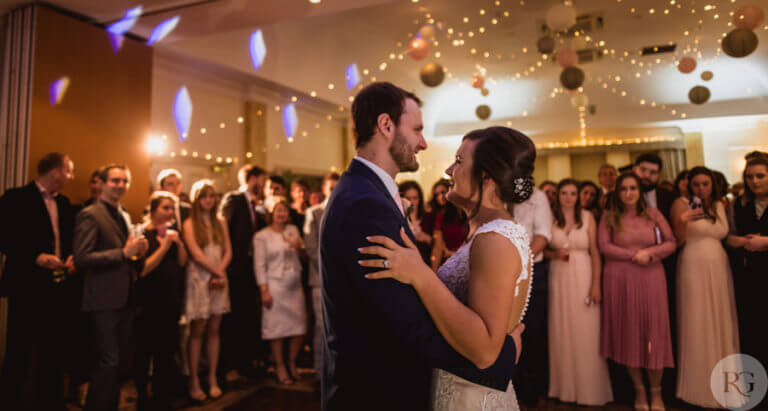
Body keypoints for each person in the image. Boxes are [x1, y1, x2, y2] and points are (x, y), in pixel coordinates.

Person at [320, 82, 523, 410]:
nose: (424, 142)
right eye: (416, 129)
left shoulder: (363, 193)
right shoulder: (364, 204)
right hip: (377, 392)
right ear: (386, 125)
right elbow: (404, 324)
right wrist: (501, 358)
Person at [361, 125, 534, 409]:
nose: (448, 171)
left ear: (486, 177)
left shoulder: (495, 240)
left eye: (459, 161)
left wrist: (420, 275)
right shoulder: (487, 234)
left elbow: (484, 350)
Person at [0, 153, 76, 410]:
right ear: (55, 171)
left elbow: (69, 241)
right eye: (69, 170)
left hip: (57, 285)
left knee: (54, 348)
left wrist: (70, 258)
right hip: (26, 284)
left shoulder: (64, 203)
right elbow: (5, 238)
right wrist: (35, 257)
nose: (71, 176)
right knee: (19, 347)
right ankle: (10, 402)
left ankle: (51, 402)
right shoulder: (15, 197)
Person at [74, 164, 149, 411]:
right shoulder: (91, 214)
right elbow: (82, 258)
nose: (120, 186)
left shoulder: (124, 214)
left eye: (125, 181)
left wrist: (137, 253)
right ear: (102, 183)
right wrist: (122, 253)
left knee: (120, 364)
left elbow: (126, 256)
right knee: (108, 362)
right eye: (115, 181)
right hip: (103, 299)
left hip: (125, 297)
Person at [599, 172, 676, 411]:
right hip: (619, 279)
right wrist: (634, 255)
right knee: (629, 334)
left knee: (653, 333)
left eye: (633, 188)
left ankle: (656, 393)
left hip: (651, 277)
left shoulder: (653, 214)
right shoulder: (609, 216)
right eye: (624, 189)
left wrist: (651, 254)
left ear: (640, 192)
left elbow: (671, 241)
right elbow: (604, 246)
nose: (629, 193)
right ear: (617, 193)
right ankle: (639, 392)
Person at [669, 167, 740, 408]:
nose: (701, 188)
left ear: (712, 185)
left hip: (719, 266)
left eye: (705, 183)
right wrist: (682, 220)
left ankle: (727, 385)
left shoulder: (719, 205)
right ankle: (698, 387)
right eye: (696, 184)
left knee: (721, 319)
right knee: (698, 319)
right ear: (690, 185)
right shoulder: (680, 204)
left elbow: (726, 234)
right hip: (692, 265)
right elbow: (675, 241)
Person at [544, 179, 613, 406]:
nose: (568, 197)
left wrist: (596, 285)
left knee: (586, 331)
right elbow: (540, 250)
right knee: (561, 329)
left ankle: (590, 390)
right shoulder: (550, 218)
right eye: (564, 193)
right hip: (559, 277)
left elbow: (595, 252)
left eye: (573, 193)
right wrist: (554, 255)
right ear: (558, 195)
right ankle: (564, 389)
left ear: (578, 195)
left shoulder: (588, 217)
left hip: (583, 275)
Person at [134, 191, 188, 410]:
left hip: (170, 301)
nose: (169, 213)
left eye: (172, 209)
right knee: (144, 351)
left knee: (166, 351)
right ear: (153, 209)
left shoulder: (172, 233)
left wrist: (179, 245)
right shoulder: (142, 234)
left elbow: (182, 263)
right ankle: (142, 397)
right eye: (165, 208)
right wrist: (165, 246)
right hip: (148, 303)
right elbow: (143, 270)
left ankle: (162, 397)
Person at [219, 164, 268, 386]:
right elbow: (224, 231)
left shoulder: (256, 206)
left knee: (248, 318)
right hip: (234, 269)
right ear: (252, 179)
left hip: (249, 270)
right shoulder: (234, 199)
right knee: (233, 320)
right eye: (261, 180)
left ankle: (244, 364)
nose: (263, 185)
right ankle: (229, 369)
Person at [183, 180, 232, 401]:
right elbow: (195, 253)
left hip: (218, 277)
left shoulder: (220, 221)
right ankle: (193, 380)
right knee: (197, 330)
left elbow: (229, 251)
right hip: (200, 278)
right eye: (204, 196)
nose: (208, 201)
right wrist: (215, 273)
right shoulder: (189, 223)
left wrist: (220, 273)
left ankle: (212, 378)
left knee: (215, 329)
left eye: (212, 196)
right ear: (196, 199)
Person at [254, 199, 307, 385]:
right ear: (271, 213)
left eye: (284, 211)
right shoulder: (262, 236)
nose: (281, 214)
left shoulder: (293, 230)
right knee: (276, 330)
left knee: (299, 327)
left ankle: (291, 362)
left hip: (294, 284)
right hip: (274, 285)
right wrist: (264, 290)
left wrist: (300, 246)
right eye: (278, 211)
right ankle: (280, 366)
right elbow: (259, 265)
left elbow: (303, 255)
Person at [511, 184, 553, 407]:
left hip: (531, 272)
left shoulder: (538, 197)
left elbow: (543, 236)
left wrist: (518, 262)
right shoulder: (497, 193)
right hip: (499, 272)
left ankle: (529, 394)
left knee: (531, 333)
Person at [726, 155, 768, 371]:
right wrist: (738, 241)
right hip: (749, 279)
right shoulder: (739, 204)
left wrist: (765, 241)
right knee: (753, 336)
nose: (755, 181)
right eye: (750, 177)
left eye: (760, 176)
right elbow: (729, 236)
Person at [303, 172, 339, 379]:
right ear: (324, 189)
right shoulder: (313, 212)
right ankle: (319, 372)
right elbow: (311, 248)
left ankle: (335, 370)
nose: (334, 190)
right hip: (319, 279)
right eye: (331, 187)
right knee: (320, 326)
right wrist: (331, 270)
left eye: (337, 186)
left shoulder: (346, 210)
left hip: (341, 280)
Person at [399, 180, 433, 264]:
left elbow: (438, 244)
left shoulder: (428, 218)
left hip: (425, 263)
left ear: (419, 199)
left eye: (415, 198)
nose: (412, 202)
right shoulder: (398, 219)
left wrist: (428, 239)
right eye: (408, 198)